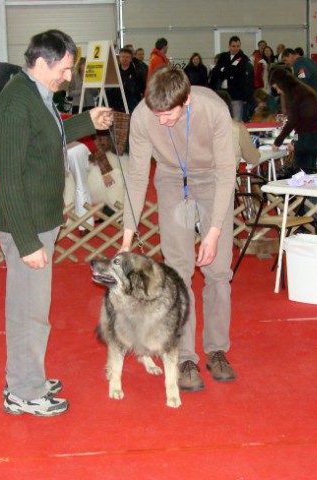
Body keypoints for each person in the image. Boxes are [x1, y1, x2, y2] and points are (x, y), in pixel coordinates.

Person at [0, 29, 113, 417]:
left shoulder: (36, 94)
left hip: (40, 218)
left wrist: (86, 121)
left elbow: (48, 137)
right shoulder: (15, 104)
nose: (67, 76)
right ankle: (24, 391)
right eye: (64, 69)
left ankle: (27, 377)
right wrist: (27, 242)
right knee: (28, 311)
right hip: (24, 223)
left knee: (35, 309)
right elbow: (7, 178)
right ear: (41, 63)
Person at [120, 66, 237, 391]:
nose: (161, 120)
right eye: (156, 113)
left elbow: (228, 171)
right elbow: (138, 176)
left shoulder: (214, 109)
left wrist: (212, 232)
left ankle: (217, 350)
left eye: (168, 114)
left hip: (212, 178)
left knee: (218, 271)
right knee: (179, 271)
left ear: (185, 101)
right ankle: (185, 357)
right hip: (172, 180)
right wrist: (126, 238)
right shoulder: (144, 116)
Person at [270, 69, 317, 174]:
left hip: (307, 140)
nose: (278, 91)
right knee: (309, 174)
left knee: (300, 175)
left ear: (282, 84)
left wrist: (278, 141)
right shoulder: (304, 90)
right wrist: (294, 141)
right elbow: (300, 125)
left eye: (277, 88)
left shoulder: (294, 95)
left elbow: (292, 122)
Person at [209, 36, 252, 120]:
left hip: (236, 94)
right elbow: (217, 71)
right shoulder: (223, 56)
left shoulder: (243, 58)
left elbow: (236, 72)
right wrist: (226, 70)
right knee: (223, 117)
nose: (236, 48)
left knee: (236, 118)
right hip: (223, 92)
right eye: (233, 46)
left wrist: (224, 69)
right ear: (229, 46)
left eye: (238, 46)